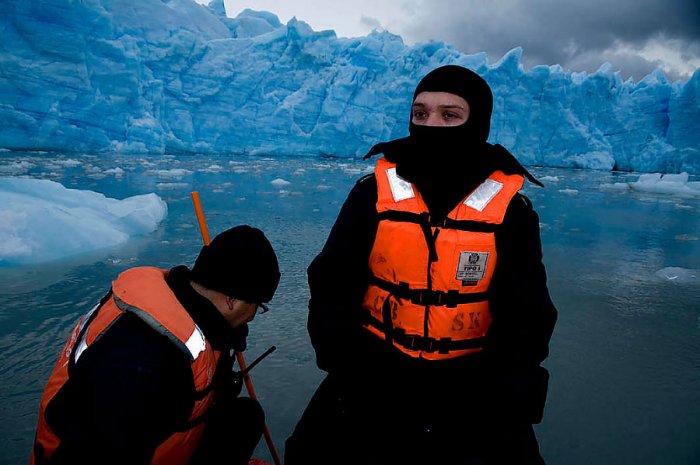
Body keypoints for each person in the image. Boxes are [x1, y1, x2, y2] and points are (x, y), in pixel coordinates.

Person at [285, 65, 558, 465]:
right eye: (420, 114)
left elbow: (528, 315)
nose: (432, 125)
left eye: (450, 116)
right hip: (373, 370)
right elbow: (331, 284)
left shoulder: (509, 210)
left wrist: (493, 387)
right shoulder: (373, 193)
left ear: (477, 123)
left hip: (472, 380)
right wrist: (349, 365)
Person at [31, 225, 281, 465]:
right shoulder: (141, 361)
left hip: (157, 439)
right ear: (231, 300)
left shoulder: (191, 308)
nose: (251, 318)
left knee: (244, 419)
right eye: (257, 307)